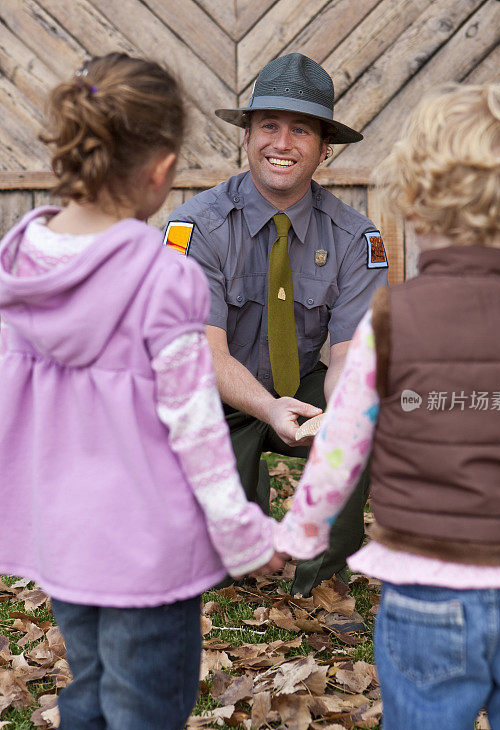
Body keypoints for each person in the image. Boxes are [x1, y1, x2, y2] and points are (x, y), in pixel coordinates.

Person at [0, 53, 283, 730]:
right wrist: (250, 539)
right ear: (161, 171)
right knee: (146, 724)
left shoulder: (20, 264)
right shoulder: (164, 279)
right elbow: (196, 432)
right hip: (146, 557)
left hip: (64, 543)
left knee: (88, 700)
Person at [275, 83, 500, 730]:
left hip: (426, 589)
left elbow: (342, 438)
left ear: (413, 197)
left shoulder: (390, 320)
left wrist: (304, 529)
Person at [164, 52, 389, 596]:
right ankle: (243, 494)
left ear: (323, 147)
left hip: (304, 384)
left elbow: (346, 357)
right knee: (222, 572)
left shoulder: (357, 239)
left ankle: (323, 576)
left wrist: (340, 415)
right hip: (216, 396)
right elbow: (204, 353)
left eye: (300, 130)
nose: (282, 144)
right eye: (269, 125)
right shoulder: (195, 227)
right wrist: (266, 407)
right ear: (246, 135)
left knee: (363, 415)